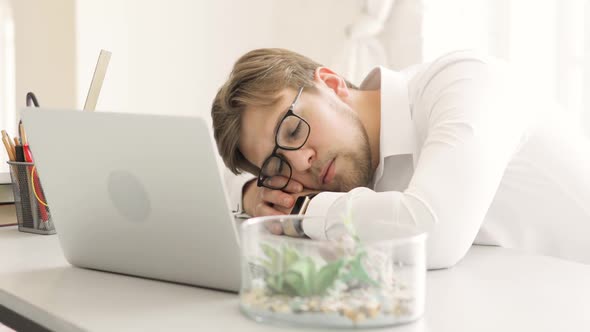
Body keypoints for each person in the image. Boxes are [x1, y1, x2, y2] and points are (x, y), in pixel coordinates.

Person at [211, 48, 590, 269]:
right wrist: (251, 194)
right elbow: (221, 182)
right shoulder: (353, 169)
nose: (302, 163)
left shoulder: (464, 83)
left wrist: (301, 209)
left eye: (293, 131)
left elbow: (433, 234)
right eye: (278, 167)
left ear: (331, 83)